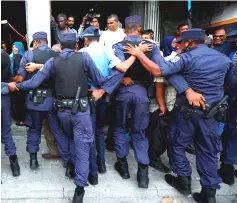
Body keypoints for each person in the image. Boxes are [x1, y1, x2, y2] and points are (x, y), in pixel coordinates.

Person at [9, 32, 132, 203]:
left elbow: (34, 82)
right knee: (82, 146)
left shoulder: (53, 62)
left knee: (69, 139)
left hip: (62, 112)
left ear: (60, 47)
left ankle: (71, 167)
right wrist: (118, 76)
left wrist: (15, 86)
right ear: (76, 46)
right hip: (81, 111)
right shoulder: (84, 58)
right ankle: (80, 189)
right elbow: (101, 79)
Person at [124, 28, 233, 203]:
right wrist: (204, 93)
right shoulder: (224, 59)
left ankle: (183, 181)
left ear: (189, 43)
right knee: (209, 150)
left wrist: (145, 53)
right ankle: (209, 194)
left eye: (181, 42)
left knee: (177, 143)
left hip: (188, 112)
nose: (178, 45)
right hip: (214, 112)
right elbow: (230, 83)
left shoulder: (186, 57)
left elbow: (160, 70)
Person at [79, 26, 146, 182]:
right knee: (99, 130)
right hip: (104, 97)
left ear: (86, 39)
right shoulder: (107, 51)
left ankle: (93, 173)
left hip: (89, 96)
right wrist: (137, 54)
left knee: (89, 133)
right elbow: (122, 68)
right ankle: (102, 164)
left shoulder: (82, 53)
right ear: (99, 39)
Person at [111, 15, 166, 189]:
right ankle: (143, 174)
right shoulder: (151, 46)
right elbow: (158, 71)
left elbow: (114, 69)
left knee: (119, 128)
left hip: (123, 92)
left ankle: (124, 167)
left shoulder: (118, 46)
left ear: (124, 29)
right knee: (140, 132)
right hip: (142, 94)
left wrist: (123, 79)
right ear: (140, 29)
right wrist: (141, 53)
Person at [12, 32, 74, 174]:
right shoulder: (57, 55)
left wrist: (12, 81)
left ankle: (33, 160)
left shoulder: (28, 55)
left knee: (34, 129)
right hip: (53, 101)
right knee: (58, 130)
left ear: (35, 42)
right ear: (46, 41)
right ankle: (68, 163)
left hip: (33, 101)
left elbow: (20, 79)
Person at [219, 29, 237, 185]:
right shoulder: (231, 50)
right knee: (229, 131)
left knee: (233, 132)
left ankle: (227, 169)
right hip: (230, 98)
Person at [1, 49, 20, 177]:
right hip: (4, 98)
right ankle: (14, 163)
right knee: (6, 130)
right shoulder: (6, 57)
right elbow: (9, 77)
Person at [9, 41, 26, 126]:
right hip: (21, 82)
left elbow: (17, 70)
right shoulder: (23, 56)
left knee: (18, 102)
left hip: (17, 82)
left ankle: (21, 120)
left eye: (16, 47)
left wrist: (13, 80)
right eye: (13, 47)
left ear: (20, 48)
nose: (14, 49)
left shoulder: (17, 57)